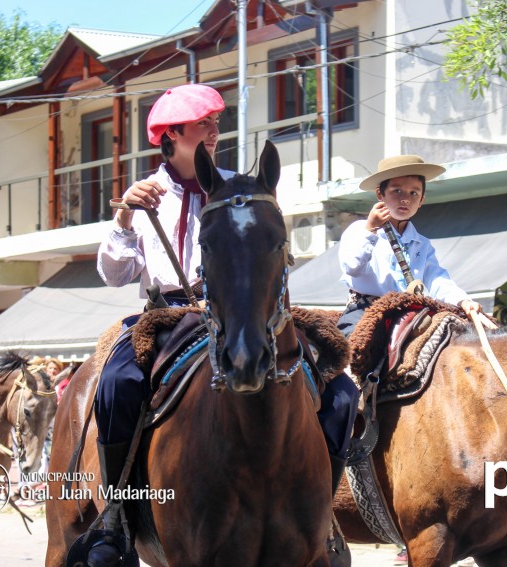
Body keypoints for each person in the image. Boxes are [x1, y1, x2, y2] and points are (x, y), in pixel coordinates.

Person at [91, 83, 357, 566]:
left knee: (341, 394)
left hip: (239, 308)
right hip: (168, 316)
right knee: (117, 381)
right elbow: (114, 274)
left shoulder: (241, 185)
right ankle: (115, 516)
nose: (215, 131)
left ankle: (324, 521)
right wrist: (125, 218)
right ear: (171, 135)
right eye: (203, 124)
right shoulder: (144, 195)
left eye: (217, 123)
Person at [337, 154, 482, 338]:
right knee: (353, 350)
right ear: (380, 194)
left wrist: (463, 300)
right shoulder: (360, 229)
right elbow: (351, 267)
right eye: (397, 191)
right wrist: (371, 228)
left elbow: (437, 279)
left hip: (411, 312)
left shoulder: (422, 243)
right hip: (365, 310)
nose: (405, 199)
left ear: (422, 200)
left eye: (414, 193)